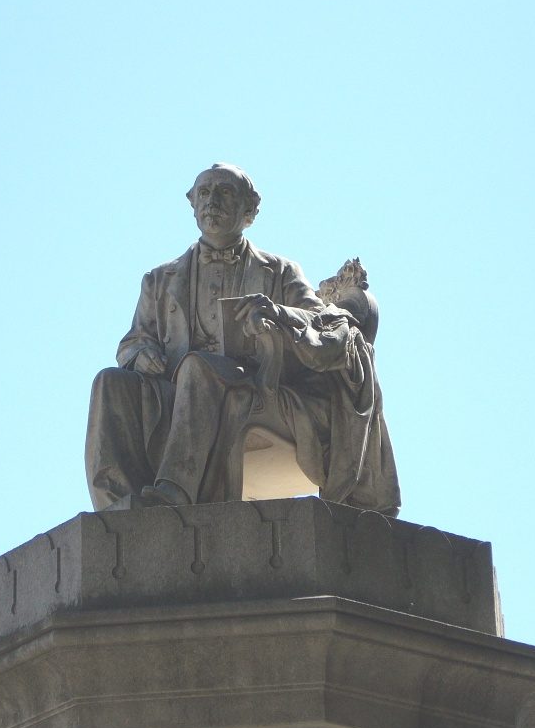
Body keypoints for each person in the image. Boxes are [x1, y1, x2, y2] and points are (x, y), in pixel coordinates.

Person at [84, 163, 399, 515]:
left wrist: (278, 314)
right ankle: (118, 509)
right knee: (109, 382)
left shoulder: (280, 271)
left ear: (249, 210)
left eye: (224, 192)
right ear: (192, 204)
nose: (212, 202)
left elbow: (320, 321)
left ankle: (174, 493)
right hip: (172, 395)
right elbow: (131, 343)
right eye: (204, 193)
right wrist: (141, 354)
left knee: (198, 368)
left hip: (255, 386)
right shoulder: (158, 280)